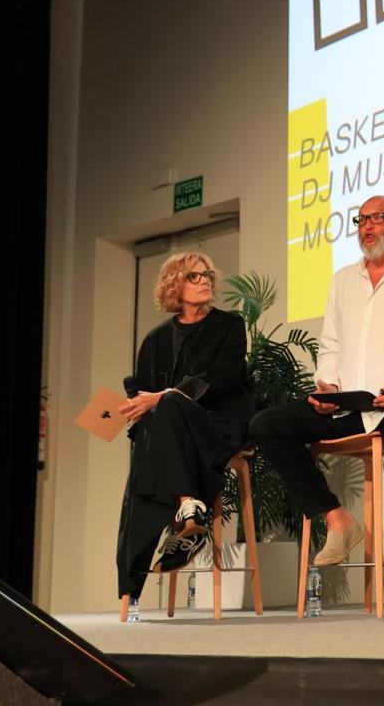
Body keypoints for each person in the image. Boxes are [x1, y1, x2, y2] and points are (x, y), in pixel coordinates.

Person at [249, 195, 384, 607]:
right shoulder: (343, 279)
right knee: (267, 425)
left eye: (379, 219)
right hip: (353, 406)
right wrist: (329, 386)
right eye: (361, 219)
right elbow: (330, 344)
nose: (368, 226)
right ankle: (336, 518)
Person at [116, 252, 254, 605]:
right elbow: (141, 393)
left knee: (172, 404)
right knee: (148, 442)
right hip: (171, 439)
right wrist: (137, 405)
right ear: (175, 284)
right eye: (195, 276)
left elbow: (224, 379)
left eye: (208, 273)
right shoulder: (155, 339)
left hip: (217, 428)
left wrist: (161, 397)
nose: (206, 279)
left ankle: (185, 512)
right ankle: (188, 506)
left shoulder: (229, 325)